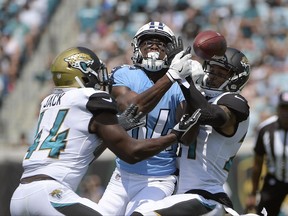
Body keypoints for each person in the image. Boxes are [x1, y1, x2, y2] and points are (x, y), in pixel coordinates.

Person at [9, 46, 191, 216]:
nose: (100, 78)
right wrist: (174, 136)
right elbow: (132, 153)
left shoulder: (48, 102)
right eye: (96, 73)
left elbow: (83, 147)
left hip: (20, 194)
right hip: (50, 194)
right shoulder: (91, 98)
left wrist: (118, 125)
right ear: (84, 73)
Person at [131, 47, 252, 216]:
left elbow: (209, 114)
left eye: (221, 73)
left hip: (207, 197)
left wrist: (186, 80)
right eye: (212, 70)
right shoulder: (199, 97)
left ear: (236, 78)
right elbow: (186, 135)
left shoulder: (236, 102)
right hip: (181, 194)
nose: (212, 76)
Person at [97, 21, 200, 216]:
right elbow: (131, 108)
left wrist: (190, 87)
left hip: (160, 178)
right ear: (137, 48)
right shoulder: (125, 73)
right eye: (148, 42)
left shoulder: (180, 85)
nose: (154, 46)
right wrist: (171, 76)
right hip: (122, 175)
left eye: (161, 44)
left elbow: (187, 136)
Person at [246, 91, 288, 216]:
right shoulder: (265, 129)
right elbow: (257, 165)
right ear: (277, 108)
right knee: (264, 213)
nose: (286, 113)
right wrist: (253, 193)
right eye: (283, 108)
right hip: (275, 180)